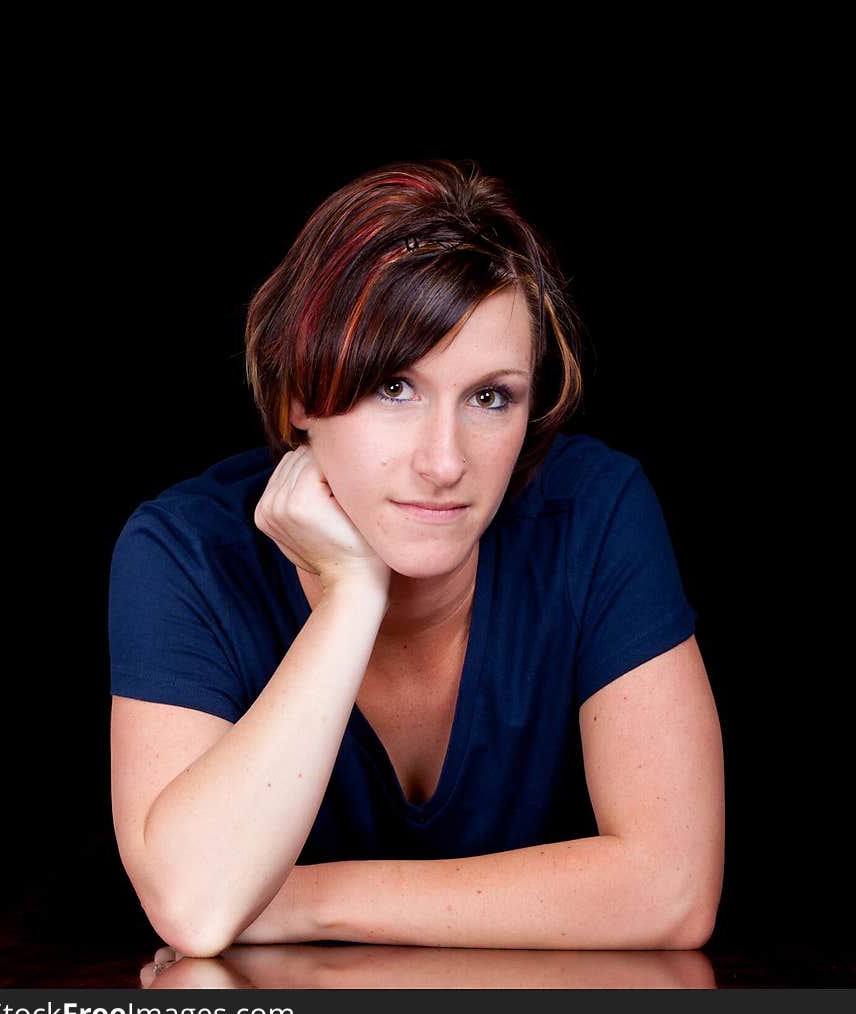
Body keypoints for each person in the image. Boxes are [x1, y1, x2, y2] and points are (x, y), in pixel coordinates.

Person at [108, 158, 725, 959]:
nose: (444, 461)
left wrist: (305, 900)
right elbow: (196, 904)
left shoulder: (594, 514)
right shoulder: (186, 554)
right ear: (300, 395)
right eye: (394, 387)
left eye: (489, 396)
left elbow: (671, 889)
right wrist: (353, 595)